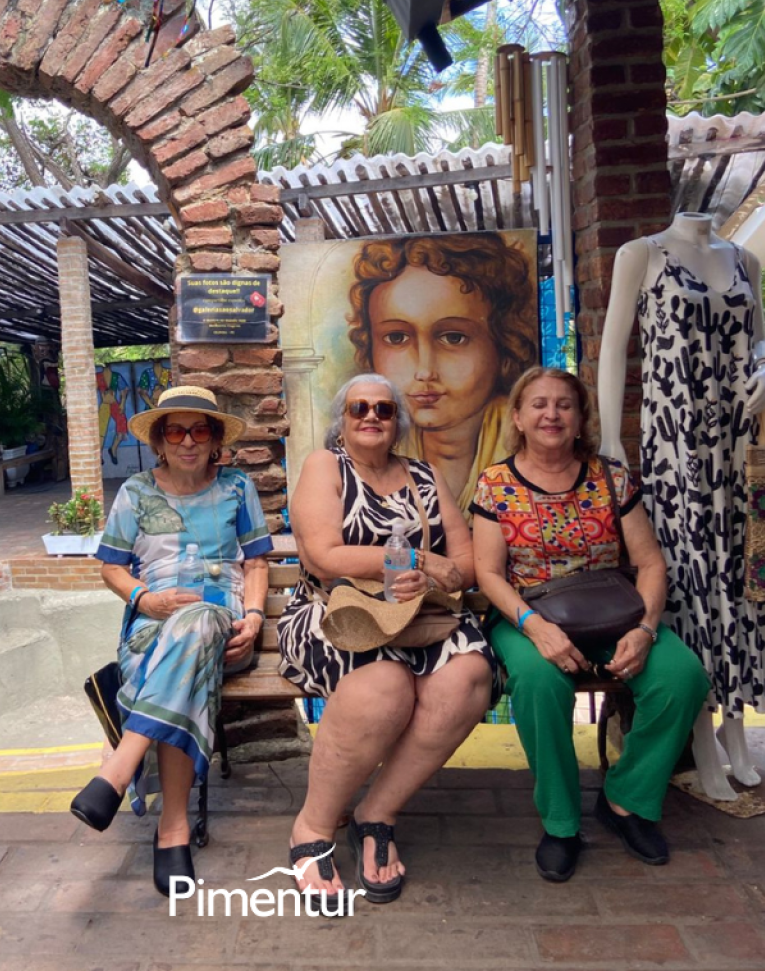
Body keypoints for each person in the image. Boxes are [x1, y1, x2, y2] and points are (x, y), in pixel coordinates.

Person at [472, 367, 709, 883]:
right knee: (539, 682)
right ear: (518, 417)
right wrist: (536, 627)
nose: (551, 414)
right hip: (526, 614)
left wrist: (645, 630)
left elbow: (650, 562)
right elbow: (487, 574)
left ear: (580, 418)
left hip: (612, 613)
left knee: (681, 677)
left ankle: (627, 800)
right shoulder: (495, 484)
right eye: (538, 404)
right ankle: (560, 822)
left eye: (564, 405)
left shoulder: (610, 478)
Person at [277, 373, 496, 910]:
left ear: (398, 421)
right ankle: (313, 824)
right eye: (359, 408)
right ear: (342, 420)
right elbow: (324, 557)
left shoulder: (424, 475)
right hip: (337, 615)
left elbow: (465, 562)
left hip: (417, 618)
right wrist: (415, 559)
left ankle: (377, 812)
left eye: (384, 408)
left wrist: (434, 578)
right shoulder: (326, 466)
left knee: (469, 677)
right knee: (385, 687)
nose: (372, 416)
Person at [598, 211, 765, 801]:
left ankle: (736, 727)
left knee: (748, 577)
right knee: (691, 579)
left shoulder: (744, 260)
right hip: (677, 445)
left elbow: (758, 337)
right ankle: (701, 735)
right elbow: (613, 349)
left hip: (740, 443)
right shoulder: (642, 254)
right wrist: (611, 440)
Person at [71, 385, 270, 897]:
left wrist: (252, 618)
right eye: (175, 431)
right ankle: (173, 827)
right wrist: (145, 598)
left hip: (222, 627)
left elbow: (255, 563)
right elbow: (111, 567)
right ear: (159, 441)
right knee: (187, 654)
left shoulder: (237, 487)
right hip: (152, 629)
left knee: (199, 622)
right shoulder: (136, 492)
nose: (188, 441)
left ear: (215, 439)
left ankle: (119, 767)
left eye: (199, 430)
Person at [347, 234, 537, 511]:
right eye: (397, 338)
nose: (425, 371)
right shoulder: (366, 454)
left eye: (453, 338)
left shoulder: (533, 448)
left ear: (503, 342)